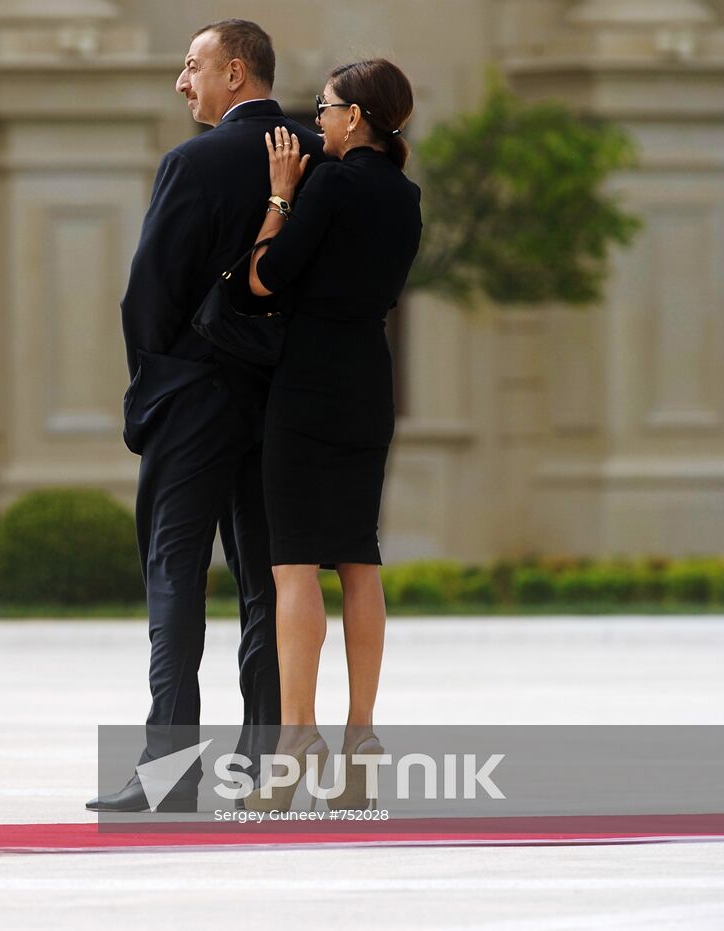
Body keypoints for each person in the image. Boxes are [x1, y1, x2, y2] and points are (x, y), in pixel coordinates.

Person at [88, 19, 328, 813]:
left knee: (174, 576)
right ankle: (266, 766)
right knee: (270, 582)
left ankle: (170, 772)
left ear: (234, 72)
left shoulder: (193, 161)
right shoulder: (322, 152)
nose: (180, 83)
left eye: (191, 67)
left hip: (191, 399)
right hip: (284, 400)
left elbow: (146, 293)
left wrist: (151, 389)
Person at [238, 59, 422, 811]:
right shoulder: (405, 195)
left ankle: (294, 742)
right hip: (369, 382)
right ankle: (361, 736)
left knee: (293, 565)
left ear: (356, 118)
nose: (316, 121)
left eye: (324, 109)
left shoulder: (334, 183)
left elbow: (263, 278)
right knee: (359, 556)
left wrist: (280, 194)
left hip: (310, 381)